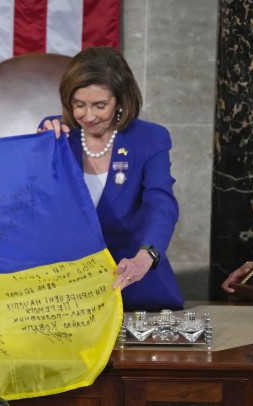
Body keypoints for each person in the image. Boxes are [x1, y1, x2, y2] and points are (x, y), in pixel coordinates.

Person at [39, 46, 183, 312]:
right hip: (68, 291)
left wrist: (146, 256)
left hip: (134, 283)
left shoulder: (150, 138)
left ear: (120, 100)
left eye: (100, 105)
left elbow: (161, 204)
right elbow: (34, 201)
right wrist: (40, 147)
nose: (88, 116)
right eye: (79, 104)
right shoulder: (55, 134)